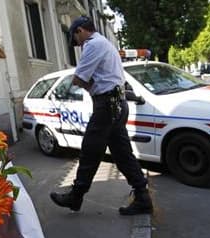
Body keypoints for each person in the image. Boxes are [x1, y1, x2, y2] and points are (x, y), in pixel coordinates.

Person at [49, 16, 153, 215]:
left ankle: (76, 196)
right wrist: (94, 88)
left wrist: (91, 87)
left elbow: (78, 79)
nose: (78, 45)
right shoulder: (106, 43)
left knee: (90, 149)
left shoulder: (93, 44)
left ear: (80, 31)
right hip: (117, 102)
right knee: (122, 154)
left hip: (107, 103)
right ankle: (142, 197)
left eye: (76, 39)